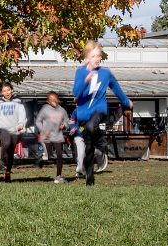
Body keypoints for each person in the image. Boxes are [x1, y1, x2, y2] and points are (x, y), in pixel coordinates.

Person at [72, 40, 132, 186]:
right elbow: (76, 93)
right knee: (88, 148)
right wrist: (85, 81)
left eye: (99, 56)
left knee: (92, 127)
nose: (97, 59)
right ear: (86, 58)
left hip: (99, 110)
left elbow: (116, 88)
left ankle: (102, 144)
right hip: (84, 114)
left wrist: (126, 102)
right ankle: (89, 179)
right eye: (93, 56)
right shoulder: (80, 72)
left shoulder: (105, 73)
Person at [0, 82, 27, 182]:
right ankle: (0, 158)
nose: (7, 92)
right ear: (1, 92)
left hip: (15, 130)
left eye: (8, 90)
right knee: (6, 143)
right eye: (4, 91)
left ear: (12, 89)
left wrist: (21, 124)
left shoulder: (18, 103)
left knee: (10, 152)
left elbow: (22, 116)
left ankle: (7, 172)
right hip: (2, 129)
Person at [34, 91, 69, 183]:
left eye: (55, 99)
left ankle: (58, 176)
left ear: (58, 99)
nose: (53, 101)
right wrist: (43, 130)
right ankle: (42, 158)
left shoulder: (62, 110)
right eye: (51, 99)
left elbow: (67, 121)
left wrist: (64, 125)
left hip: (57, 136)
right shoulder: (45, 109)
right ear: (48, 101)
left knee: (59, 155)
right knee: (49, 156)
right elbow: (38, 121)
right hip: (47, 136)